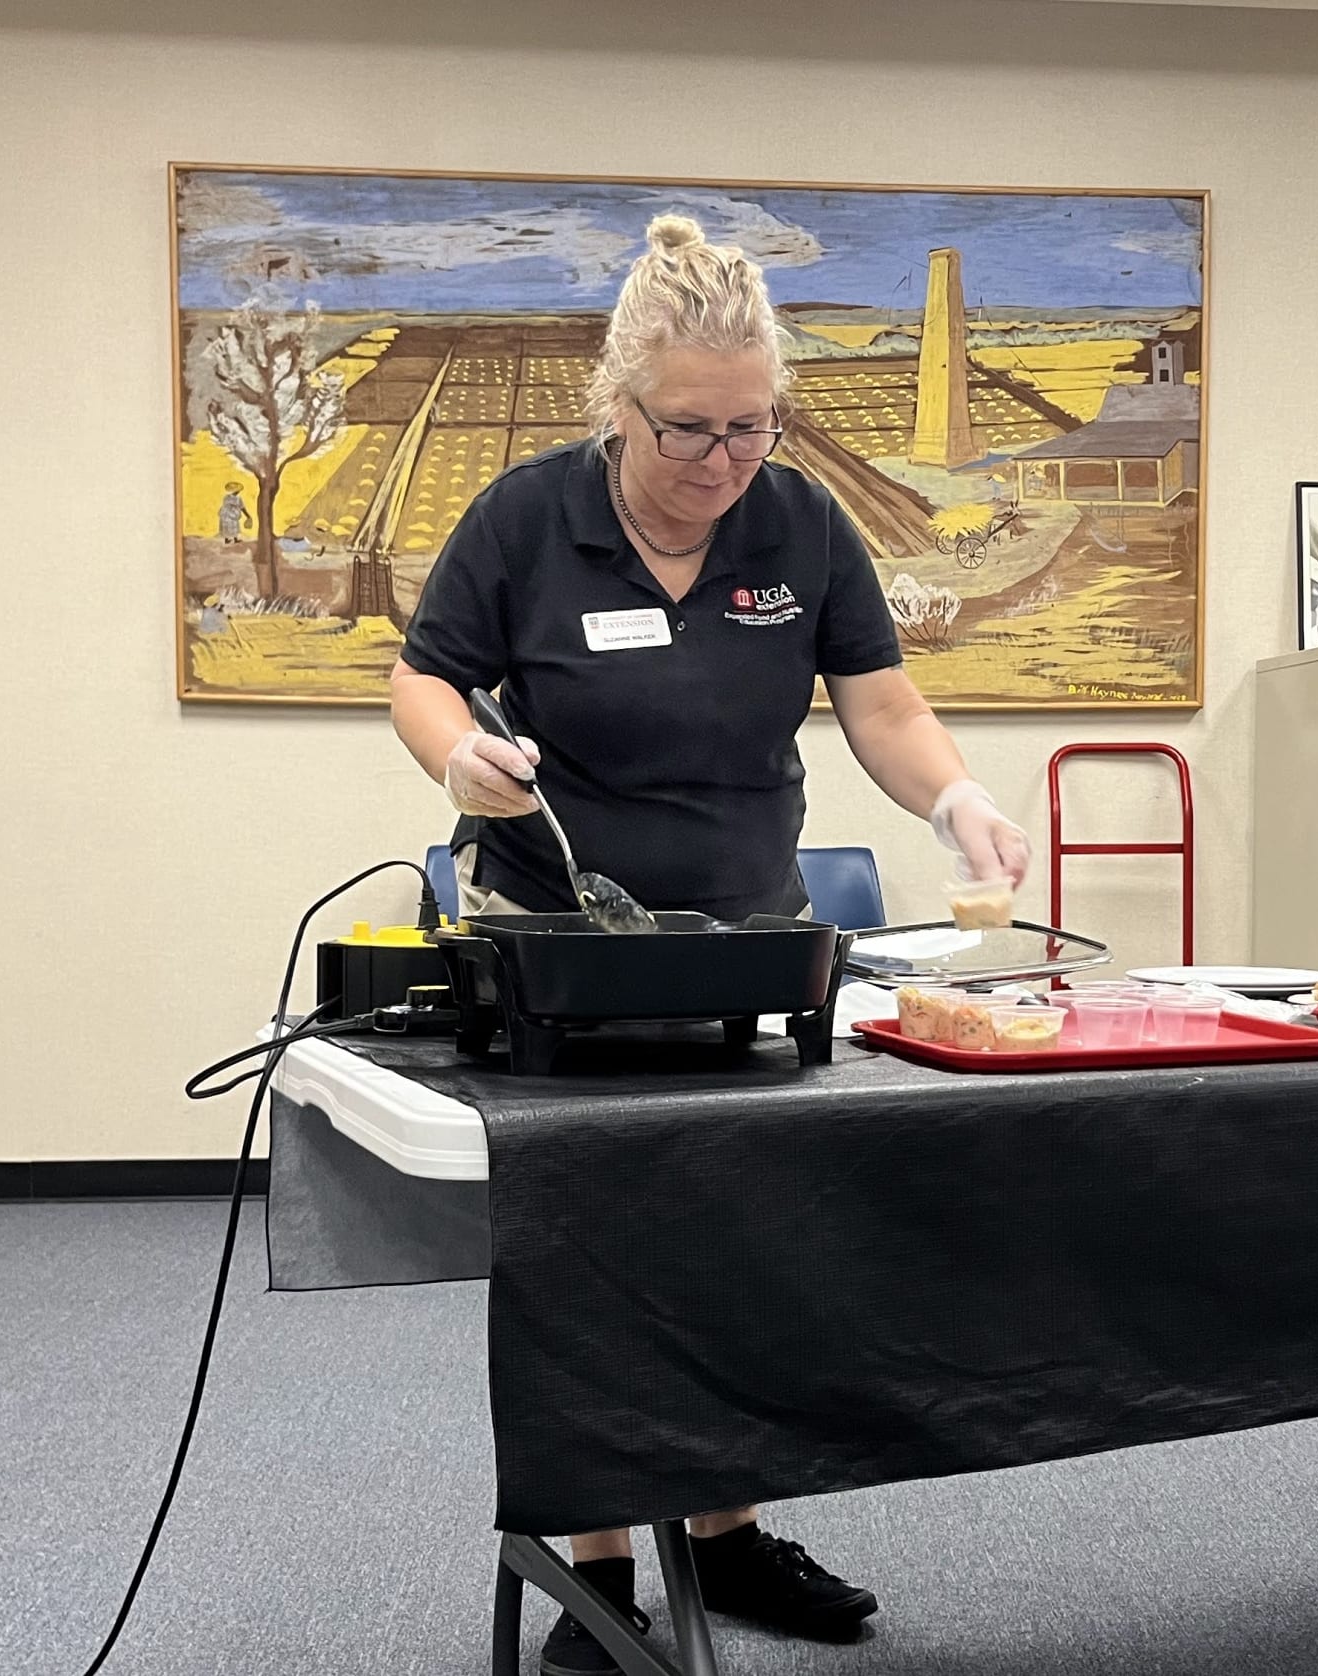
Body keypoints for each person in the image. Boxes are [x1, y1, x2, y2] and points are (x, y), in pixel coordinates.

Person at [389, 214, 1029, 1674]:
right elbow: (424, 678)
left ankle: (729, 1536)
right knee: (590, 1249)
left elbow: (881, 706)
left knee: (749, 1242)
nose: (722, 462)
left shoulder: (798, 522)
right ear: (615, 404)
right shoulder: (523, 518)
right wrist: (456, 759)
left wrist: (959, 799)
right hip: (560, 944)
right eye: (688, 430)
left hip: (747, 937)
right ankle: (601, 1562)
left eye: (751, 428)